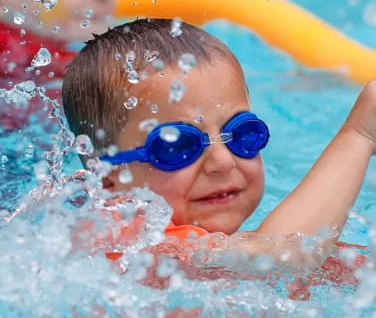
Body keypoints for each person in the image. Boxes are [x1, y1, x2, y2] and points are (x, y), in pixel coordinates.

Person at [62, 18, 372, 279]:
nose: (222, 162)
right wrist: (359, 136)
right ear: (107, 179)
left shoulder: (202, 253)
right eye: (179, 145)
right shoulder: (126, 240)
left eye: (241, 134)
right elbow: (289, 256)